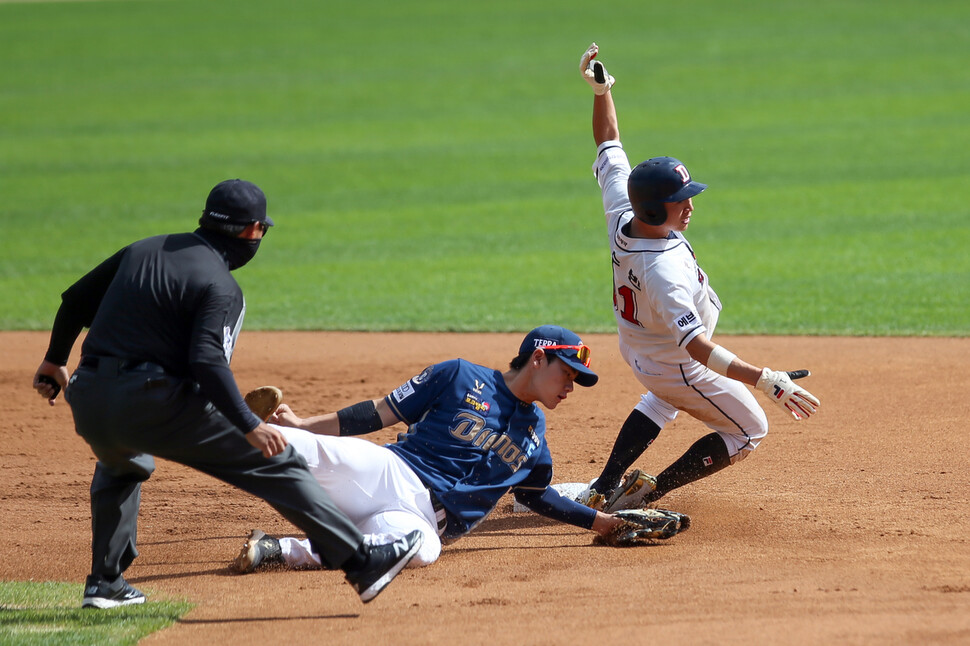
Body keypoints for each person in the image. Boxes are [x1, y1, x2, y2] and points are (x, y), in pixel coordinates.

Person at [32, 179, 422, 608]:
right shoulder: (221, 285)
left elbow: (74, 300)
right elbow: (206, 361)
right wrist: (249, 425)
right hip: (150, 399)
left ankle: (105, 585)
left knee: (122, 463)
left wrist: (53, 361)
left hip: (88, 400)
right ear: (253, 231)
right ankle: (361, 560)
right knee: (276, 462)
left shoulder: (142, 250)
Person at [574, 44, 821, 512]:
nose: (690, 204)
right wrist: (763, 379)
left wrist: (601, 92)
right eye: (679, 199)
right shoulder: (660, 271)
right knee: (749, 430)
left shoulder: (623, 210)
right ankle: (649, 493)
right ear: (652, 207)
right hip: (677, 360)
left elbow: (608, 144)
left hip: (644, 345)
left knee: (661, 399)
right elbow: (698, 350)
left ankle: (603, 486)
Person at [230, 325, 688, 574]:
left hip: (421, 520)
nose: (571, 386)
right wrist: (304, 425)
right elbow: (380, 413)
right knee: (305, 449)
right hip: (390, 473)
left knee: (421, 549)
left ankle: (278, 551)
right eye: (566, 373)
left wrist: (602, 522)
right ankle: (214, 423)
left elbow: (535, 496)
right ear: (537, 358)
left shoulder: (535, 438)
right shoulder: (460, 375)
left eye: (576, 380)